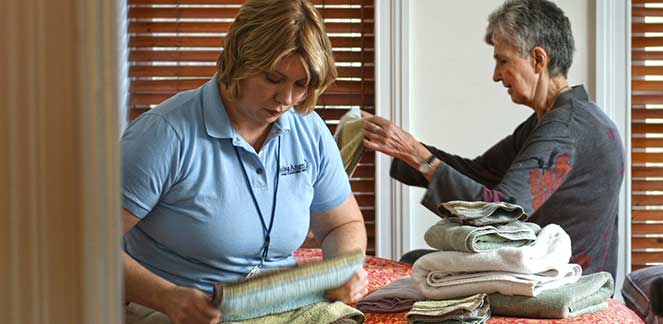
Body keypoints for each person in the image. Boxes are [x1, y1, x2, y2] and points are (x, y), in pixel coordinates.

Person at [120, 1, 368, 323]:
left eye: (301, 84)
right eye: (273, 78)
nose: (287, 99)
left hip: (286, 307)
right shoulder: (164, 135)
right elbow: (83, 248)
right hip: (178, 311)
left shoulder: (309, 129)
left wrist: (345, 269)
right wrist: (166, 297)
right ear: (238, 60)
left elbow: (342, 224)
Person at [363, 0, 624, 279]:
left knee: (415, 264)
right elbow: (481, 173)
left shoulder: (565, 129)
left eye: (503, 61)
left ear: (538, 59)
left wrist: (419, 157)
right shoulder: (557, 119)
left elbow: (502, 212)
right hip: (547, 268)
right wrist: (403, 147)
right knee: (416, 261)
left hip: (559, 281)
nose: (496, 75)